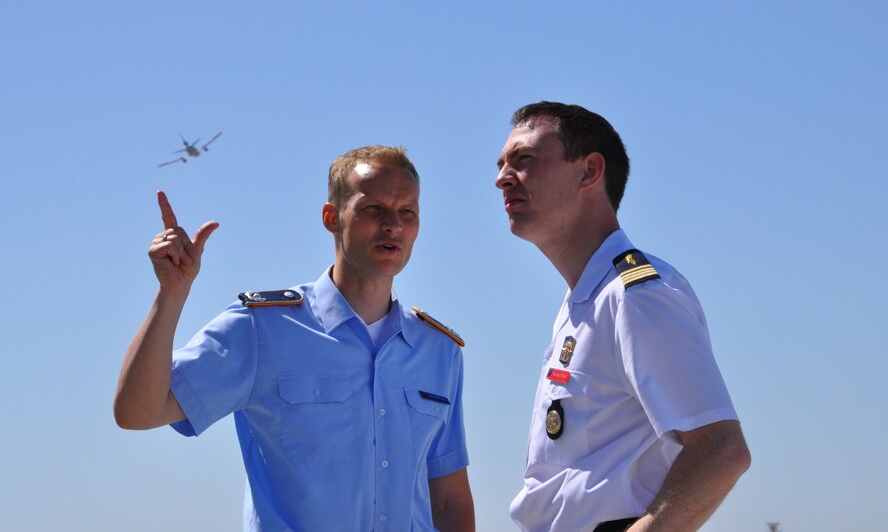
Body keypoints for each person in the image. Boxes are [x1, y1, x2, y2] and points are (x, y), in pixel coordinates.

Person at [114, 145, 474, 532]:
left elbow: (450, 500)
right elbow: (137, 412)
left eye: (408, 212)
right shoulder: (261, 330)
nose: (394, 225)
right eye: (374, 209)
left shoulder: (439, 352)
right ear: (331, 217)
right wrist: (171, 295)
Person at [495, 102, 750, 532]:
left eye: (524, 160)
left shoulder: (638, 294)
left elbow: (722, 450)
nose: (502, 177)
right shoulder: (582, 304)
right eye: (502, 164)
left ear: (590, 172)